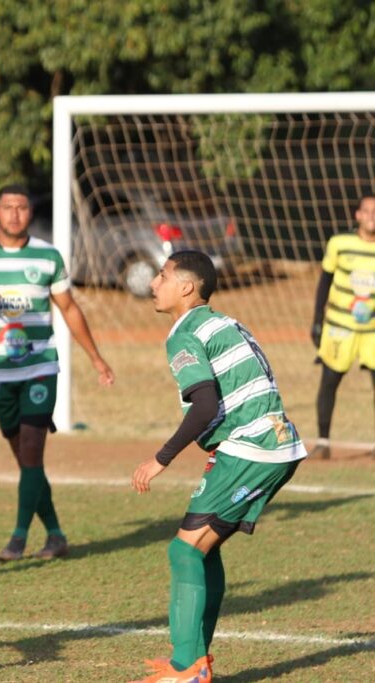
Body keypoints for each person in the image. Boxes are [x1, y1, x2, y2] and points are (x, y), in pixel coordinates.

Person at [129, 250, 307, 683]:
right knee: (203, 550)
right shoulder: (225, 322)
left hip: (252, 447)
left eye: (162, 275)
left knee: (184, 549)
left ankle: (186, 667)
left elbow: (205, 404)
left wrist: (160, 458)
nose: (153, 283)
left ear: (186, 287)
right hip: (275, 441)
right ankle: (196, 662)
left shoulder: (184, 331)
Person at [0, 184, 114, 562]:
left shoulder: (48, 256)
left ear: (29, 214)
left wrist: (96, 358)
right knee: (26, 461)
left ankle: (17, 539)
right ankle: (55, 535)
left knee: (33, 451)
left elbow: (68, 308)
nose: (15, 214)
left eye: (22, 207)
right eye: (8, 207)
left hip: (40, 368)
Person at [310, 195, 375, 460]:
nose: (372, 216)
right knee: (329, 382)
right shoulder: (339, 243)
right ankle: (323, 442)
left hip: (372, 331)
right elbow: (324, 281)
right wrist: (316, 319)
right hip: (340, 327)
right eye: (368, 211)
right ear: (357, 215)